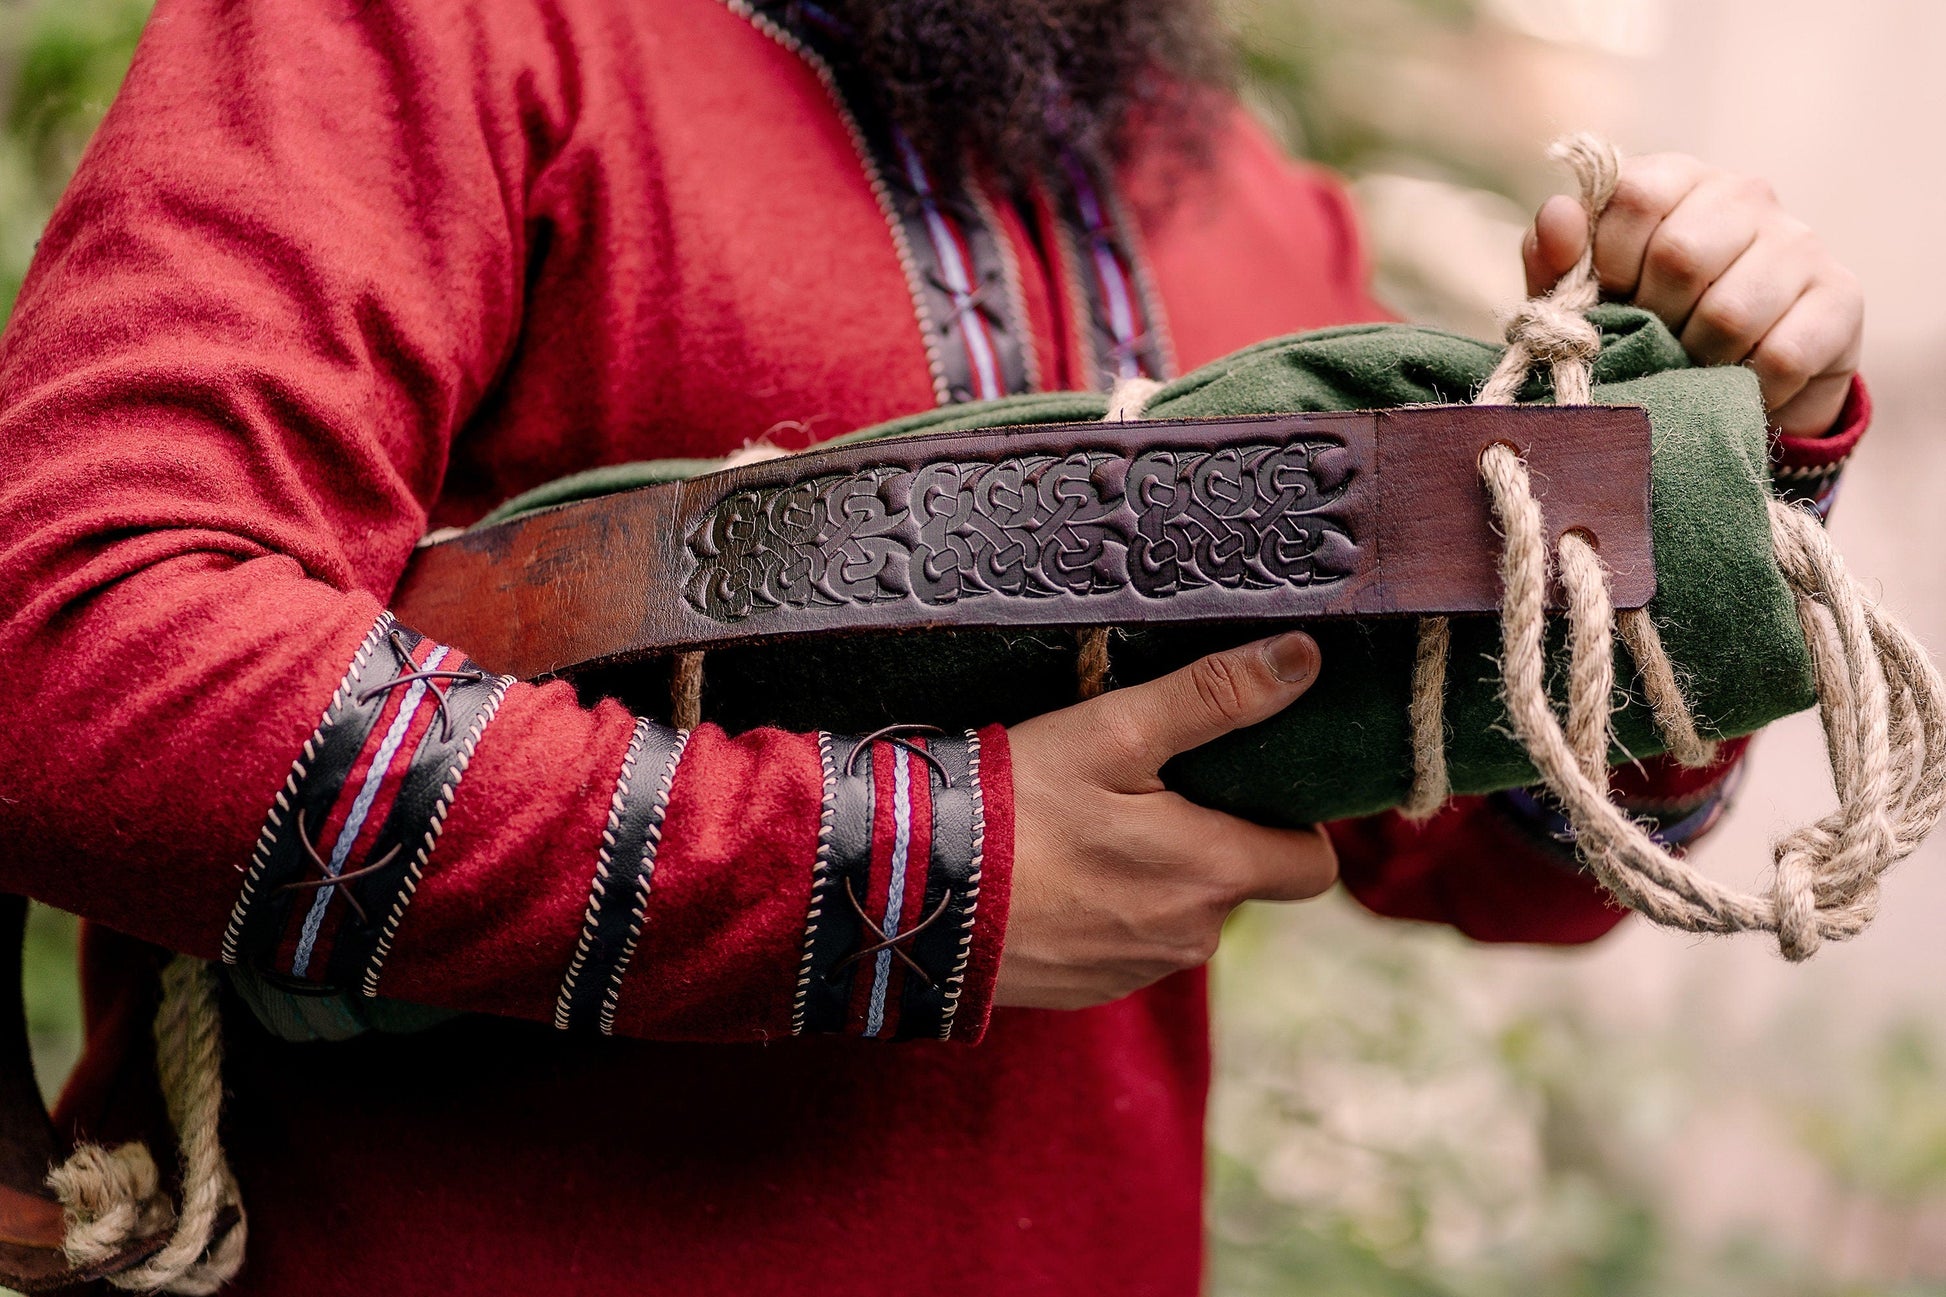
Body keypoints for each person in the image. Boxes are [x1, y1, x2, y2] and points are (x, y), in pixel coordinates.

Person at [0, 0, 1867, 1292]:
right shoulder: (426, 28)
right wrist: (917, 870)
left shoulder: (1235, 192)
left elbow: (1504, 861)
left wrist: (1708, 456)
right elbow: (77, 644)